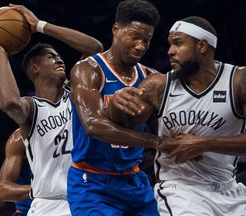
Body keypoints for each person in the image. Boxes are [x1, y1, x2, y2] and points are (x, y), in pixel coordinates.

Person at [108, 16, 246, 215]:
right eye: (170, 44)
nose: (170, 51)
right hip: (181, 191)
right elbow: (119, 128)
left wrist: (204, 143)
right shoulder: (158, 85)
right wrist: (115, 105)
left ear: (202, 46)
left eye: (178, 43)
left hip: (229, 189)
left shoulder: (240, 81)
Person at [0, 3, 103, 215]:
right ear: (34, 69)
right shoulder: (31, 108)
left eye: (58, 56)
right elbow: (10, 103)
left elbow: (95, 49)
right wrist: (2, 56)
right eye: (50, 56)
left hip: (87, 196)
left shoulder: (77, 92)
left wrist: (40, 25)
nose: (59, 59)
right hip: (48, 203)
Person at [68, 0, 160, 215]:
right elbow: (92, 125)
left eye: (146, 40)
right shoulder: (88, 69)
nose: (141, 46)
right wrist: (156, 142)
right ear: (116, 30)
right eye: (135, 37)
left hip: (135, 181)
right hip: (92, 183)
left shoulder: (151, 77)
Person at [0, 128, 32, 216]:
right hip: (27, 211)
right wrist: (39, 189)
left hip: (64, 204)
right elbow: (2, 191)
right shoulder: (19, 139)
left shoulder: (67, 132)